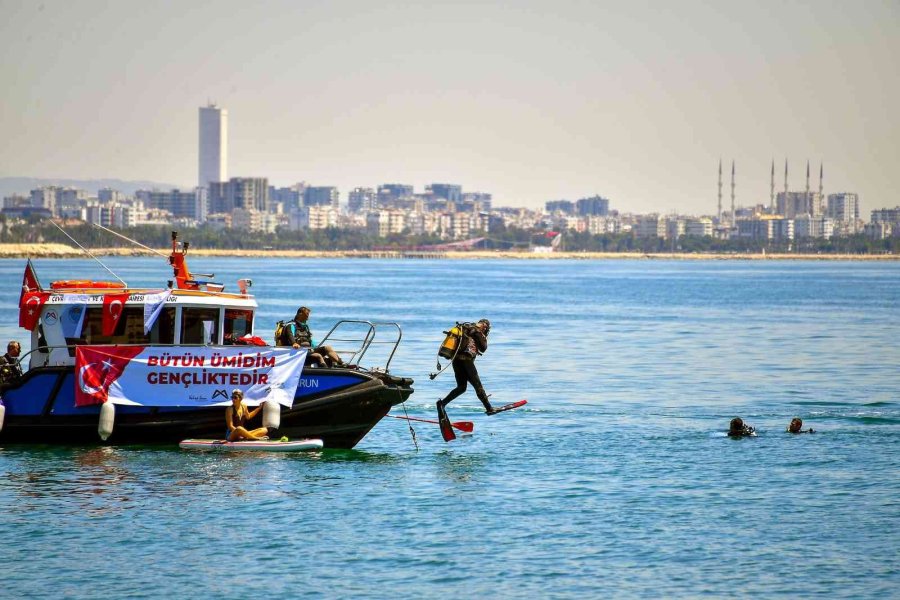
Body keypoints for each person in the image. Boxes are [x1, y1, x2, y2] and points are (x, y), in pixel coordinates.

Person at [436, 319, 495, 440]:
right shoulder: (477, 331)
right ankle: (489, 408)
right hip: (467, 361)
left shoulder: (466, 327)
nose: (487, 330)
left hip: (456, 360)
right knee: (477, 385)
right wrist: (479, 334)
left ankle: (442, 404)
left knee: (461, 387)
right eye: (487, 327)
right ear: (485, 326)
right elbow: (483, 348)